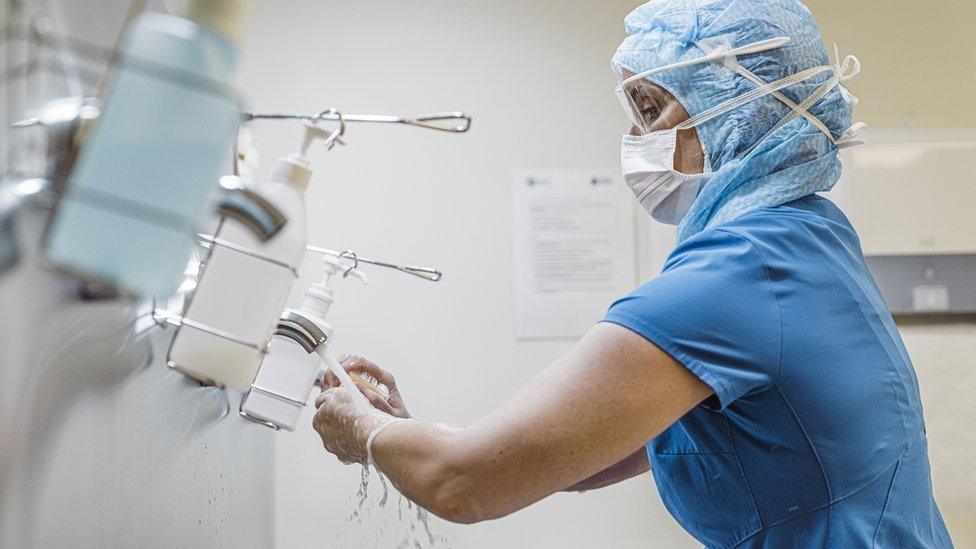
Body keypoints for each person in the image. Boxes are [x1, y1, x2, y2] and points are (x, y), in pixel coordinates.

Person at [312, 0, 953, 546]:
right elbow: (571, 454)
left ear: (735, 110)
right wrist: (406, 432)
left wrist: (364, 431)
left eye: (649, 107)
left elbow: (466, 483)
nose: (632, 133)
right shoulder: (811, 234)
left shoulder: (731, 280)